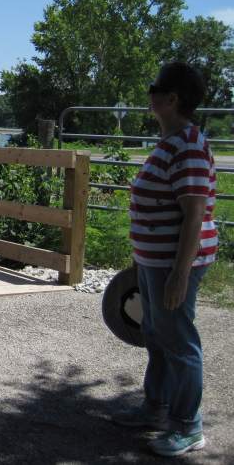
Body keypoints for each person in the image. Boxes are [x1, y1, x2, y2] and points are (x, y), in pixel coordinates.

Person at [113, 62, 217, 457]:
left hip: (174, 263)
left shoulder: (188, 145)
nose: (149, 94)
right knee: (156, 334)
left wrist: (179, 273)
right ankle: (155, 409)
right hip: (155, 260)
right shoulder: (172, 141)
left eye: (154, 87)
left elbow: (194, 215)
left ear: (172, 99)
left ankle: (188, 427)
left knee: (178, 340)